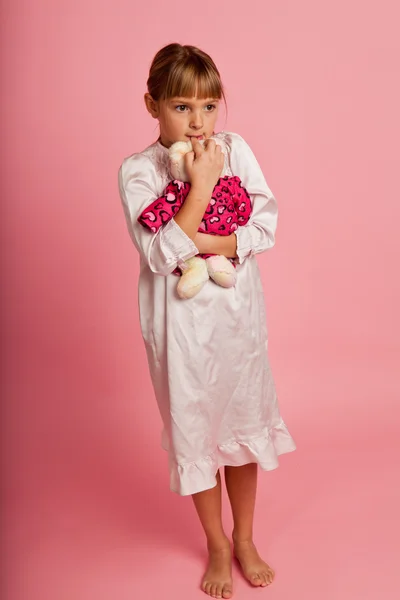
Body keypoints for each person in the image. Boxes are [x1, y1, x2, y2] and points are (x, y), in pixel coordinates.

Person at [118, 43, 296, 600]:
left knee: (241, 431)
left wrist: (209, 239)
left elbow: (263, 226)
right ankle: (217, 544)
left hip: (237, 321)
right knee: (197, 431)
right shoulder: (137, 171)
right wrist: (199, 186)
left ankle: (244, 537)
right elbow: (162, 253)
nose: (197, 123)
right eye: (181, 107)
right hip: (180, 332)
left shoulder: (234, 149)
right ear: (152, 104)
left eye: (209, 107)